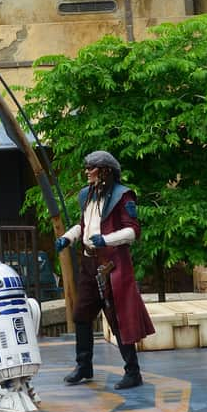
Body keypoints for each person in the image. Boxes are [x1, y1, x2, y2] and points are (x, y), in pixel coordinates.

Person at [55, 151, 154, 390]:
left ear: (105, 171)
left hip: (112, 266)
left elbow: (133, 231)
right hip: (89, 266)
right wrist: (68, 238)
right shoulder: (86, 195)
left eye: (92, 168)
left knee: (118, 320)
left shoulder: (123, 196)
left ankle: (133, 372)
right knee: (81, 315)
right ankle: (84, 366)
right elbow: (84, 226)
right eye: (87, 167)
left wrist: (106, 240)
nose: (87, 171)